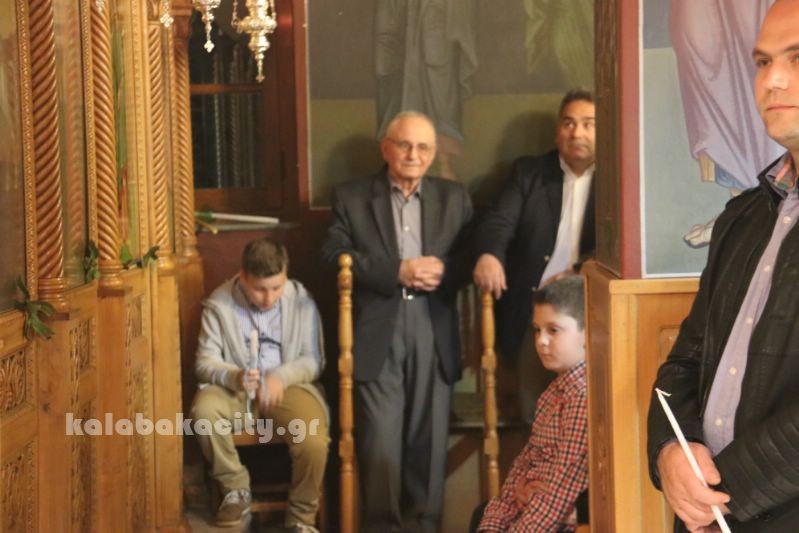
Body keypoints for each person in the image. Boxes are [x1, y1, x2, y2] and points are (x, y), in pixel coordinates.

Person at [647, 1, 799, 530]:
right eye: (762, 62)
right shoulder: (742, 217)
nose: (771, 80)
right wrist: (670, 450)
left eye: (797, 58)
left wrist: (720, 494)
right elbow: (686, 358)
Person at [323, 111, 472, 532]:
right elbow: (334, 255)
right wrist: (397, 271)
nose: (413, 155)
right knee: (380, 444)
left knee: (428, 442)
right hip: (377, 326)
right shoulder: (353, 197)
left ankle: (423, 527)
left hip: (433, 321)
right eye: (404, 145)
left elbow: (470, 256)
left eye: (423, 147)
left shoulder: (454, 198)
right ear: (386, 148)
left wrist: (446, 269)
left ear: (434, 153)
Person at [472, 89, 595, 419]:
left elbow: (623, 241)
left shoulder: (617, 178)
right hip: (534, 310)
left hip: (590, 311)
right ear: (557, 132)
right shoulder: (530, 173)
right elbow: (499, 220)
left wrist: (579, 272)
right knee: (535, 411)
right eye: (569, 123)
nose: (577, 132)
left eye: (588, 124)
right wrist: (489, 254)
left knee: (588, 413)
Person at [191, 238, 329, 532]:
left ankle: (301, 517)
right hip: (235, 389)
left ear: (286, 273)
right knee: (203, 413)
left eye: (276, 288)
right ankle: (235, 489)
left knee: (314, 438)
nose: (269, 298)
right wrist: (234, 376)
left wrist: (281, 376)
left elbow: (314, 361)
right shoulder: (220, 303)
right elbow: (204, 362)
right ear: (242, 275)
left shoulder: (301, 300)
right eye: (259, 289)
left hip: (287, 387)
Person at [473, 276, 588, 533]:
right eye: (537, 330)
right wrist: (492, 526)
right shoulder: (552, 393)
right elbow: (523, 465)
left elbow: (559, 494)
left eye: (553, 330)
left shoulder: (582, 397)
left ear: (587, 331)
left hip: (554, 521)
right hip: (535, 510)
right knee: (482, 515)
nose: (541, 341)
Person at [374, 0, 478, 180]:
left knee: (442, 104)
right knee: (402, 100)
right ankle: (400, 163)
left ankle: (444, 163)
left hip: (438, 37)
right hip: (403, 42)